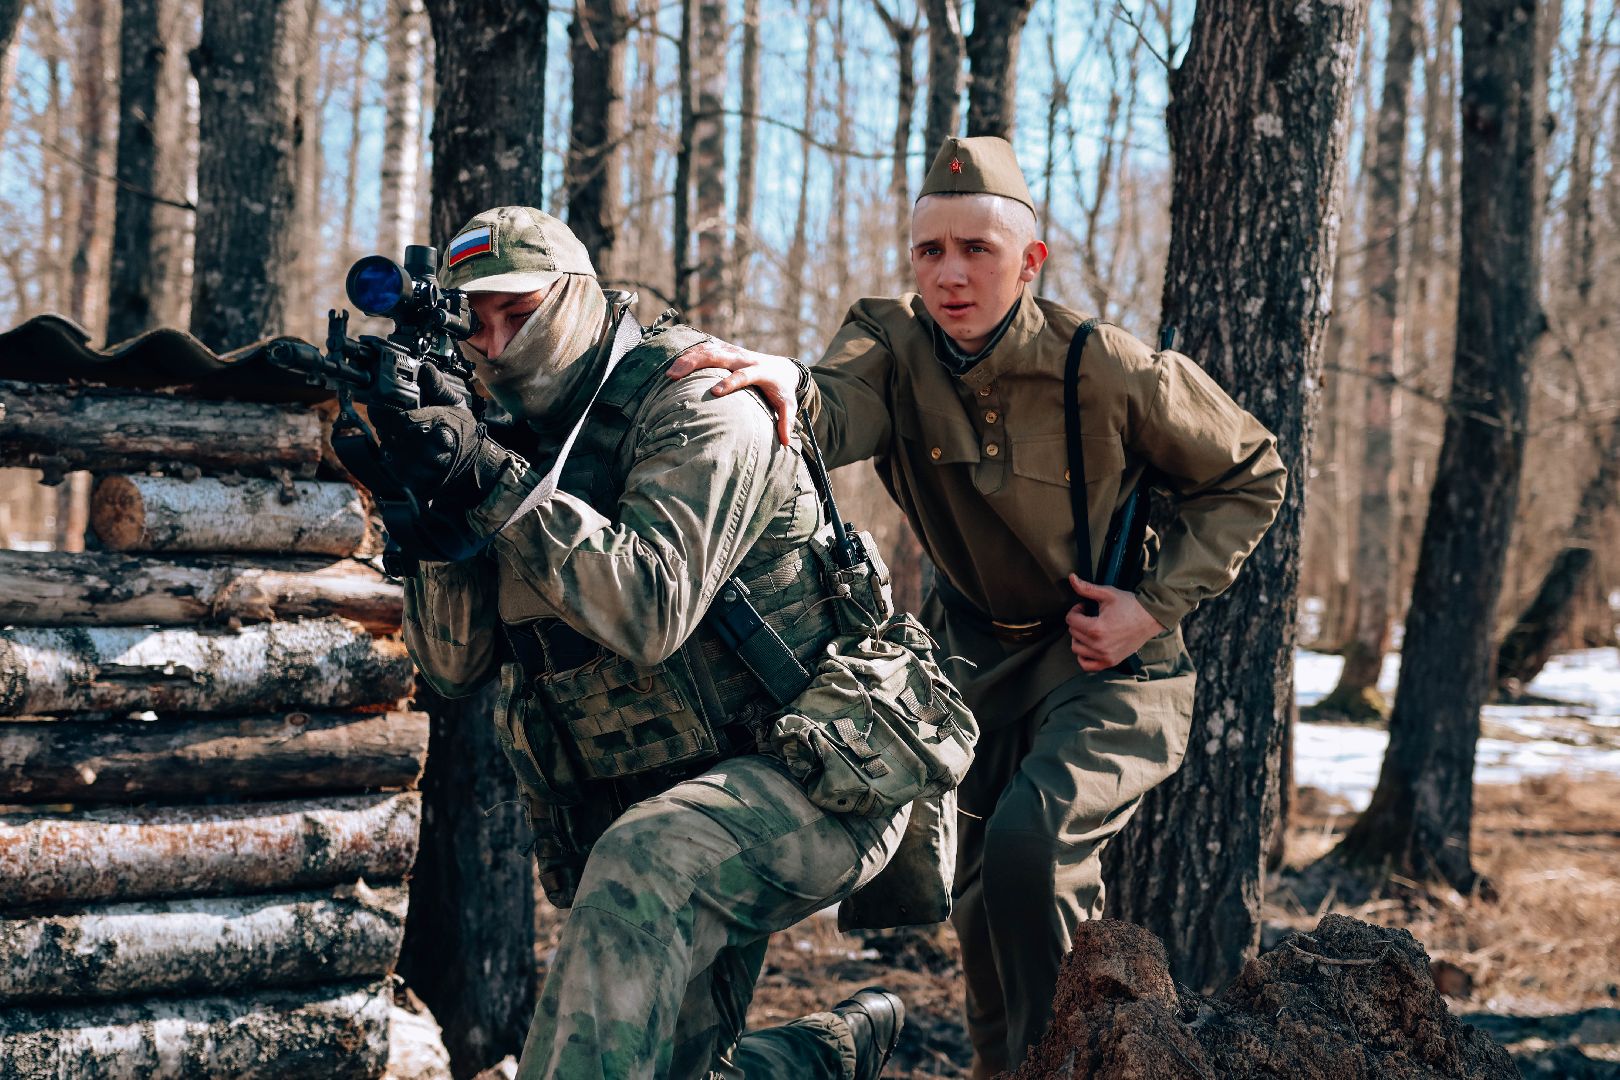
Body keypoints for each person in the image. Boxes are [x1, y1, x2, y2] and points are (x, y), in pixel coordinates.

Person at [669, 136, 1288, 1076]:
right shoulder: (891, 341)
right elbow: (832, 404)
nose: (951, 275)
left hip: (1105, 660)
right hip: (970, 659)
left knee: (1033, 850)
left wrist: (1152, 607)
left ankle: (1066, 1067)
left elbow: (1250, 472)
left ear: (1029, 261)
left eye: (977, 250)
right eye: (930, 252)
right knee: (973, 890)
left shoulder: (1105, 366)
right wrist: (778, 385)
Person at [352, 205, 976, 1080]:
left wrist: (489, 481)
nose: (493, 345)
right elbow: (452, 669)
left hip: (815, 777)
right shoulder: (502, 435)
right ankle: (815, 1060)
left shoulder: (702, 401)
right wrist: (431, 509)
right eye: (475, 322)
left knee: (646, 862)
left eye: (518, 313)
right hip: (665, 794)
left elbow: (650, 608)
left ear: (575, 296)